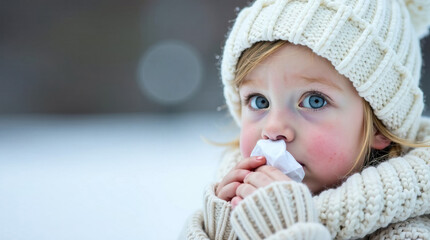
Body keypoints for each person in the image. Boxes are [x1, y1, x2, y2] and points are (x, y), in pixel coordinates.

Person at [183, 0, 430, 239]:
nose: (273, 129)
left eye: (314, 101)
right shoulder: (229, 198)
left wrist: (290, 231)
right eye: (259, 101)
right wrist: (222, 229)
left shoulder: (406, 231)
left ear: (380, 128)